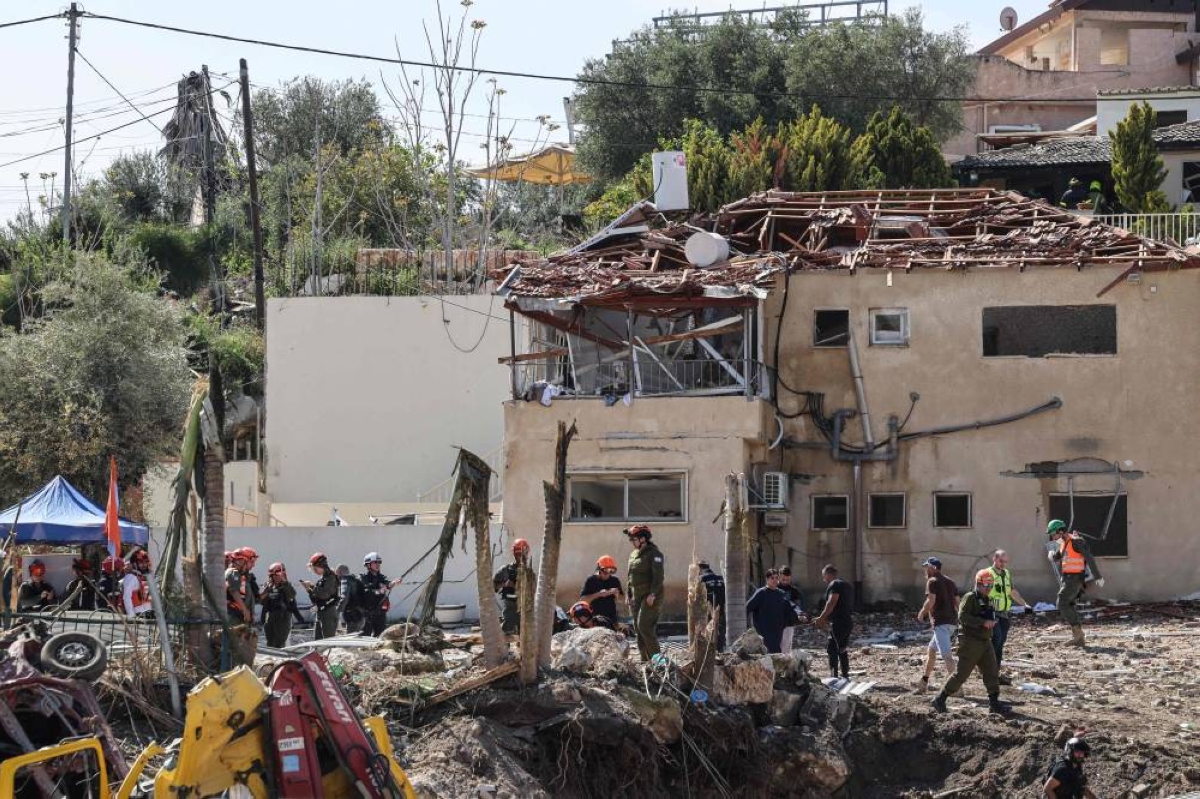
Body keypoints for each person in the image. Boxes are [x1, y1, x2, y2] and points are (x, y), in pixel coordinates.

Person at [932, 569, 1007, 714]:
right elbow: (962, 617)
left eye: (990, 585)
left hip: (985, 641)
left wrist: (991, 622)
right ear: (978, 584)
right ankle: (940, 699)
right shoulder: (970, 597)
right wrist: (982, 622)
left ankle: (994, 703)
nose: (988, 588)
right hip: (971, 642)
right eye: (985, 585)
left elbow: (988, 616)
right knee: (962, 674)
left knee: (992, 671)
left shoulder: (988, 599)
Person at [1047, 519, 1104, 647]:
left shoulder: (1075, 541)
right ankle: (1078, 636)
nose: (1052, 537)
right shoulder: (1064, 543)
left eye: (1053, 533)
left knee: (1062, 602)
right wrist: (1051, 555)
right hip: (1068, 578)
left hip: (1075, 578)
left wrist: (1097, 576)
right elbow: (1057, 557)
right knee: (1068, 603)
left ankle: (1078, 635)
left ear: (1060, 531)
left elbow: (1089, 557)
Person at [988, 549, 1033, 683]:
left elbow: (1012, 592)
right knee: (996, 640)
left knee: (1000, 644)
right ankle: (989, 673)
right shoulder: (987, 574)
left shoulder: (1006, 574)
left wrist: (1025, 604)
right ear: (994, 559)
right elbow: (980, 594)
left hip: (1003, 615)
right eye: (1001, 561)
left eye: (1005, 562)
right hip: (992, 613)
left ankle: (995, 674)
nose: (1003, 564)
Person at [916, 557, 958, 694]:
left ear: (933, 568)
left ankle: (957, 688)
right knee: (931, 651)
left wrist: (922, 612)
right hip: (951, 623)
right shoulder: (950, 582)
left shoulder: (932, 581)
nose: (925, 570)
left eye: (927, 567)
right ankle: (924, 681)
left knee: (947, 656)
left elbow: (931, 600)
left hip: (941, 624)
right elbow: (958, 601)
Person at [625, 524, 664, 662]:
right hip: (636, 595)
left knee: (644, 627)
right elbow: (630, 576)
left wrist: (653, 594)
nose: (632, 542)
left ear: (643, 539)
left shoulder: (654, 553)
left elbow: (658, 577)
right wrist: (628, 594)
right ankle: (646, 662)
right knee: (638, 630)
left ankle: (659, 662)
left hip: (651, 596)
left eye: (633, 539)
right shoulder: (633, 555)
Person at [811, 564, 853, 680]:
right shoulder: (846, 585)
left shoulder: (834, 584)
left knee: (832, 648)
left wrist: (821, 618)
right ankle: (845, 675)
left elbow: (832, 603)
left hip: (839, 623)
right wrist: (824, 618)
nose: (823, 579)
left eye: (823, 576)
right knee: (842, 648)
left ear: (828, 574)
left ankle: (833, 677)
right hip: (848, 622)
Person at [747, 569, 795, 654]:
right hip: (764, 633)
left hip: (777, 633)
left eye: (776, 578)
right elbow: (747, 608)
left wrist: (800, 617)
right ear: (767, 579)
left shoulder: (781, 594)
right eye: (772, 578)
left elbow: (789, 610)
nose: (775, 580)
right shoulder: (761, 593)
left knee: (777, 656)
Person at [259, 562, 305, 648]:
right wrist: (267, 590)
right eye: (275, 575)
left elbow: (292, 595)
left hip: (283, 617)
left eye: (280, 575)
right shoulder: (268, 586)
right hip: (270, 617)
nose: (278, 577)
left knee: (279, 643)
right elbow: (260, 600)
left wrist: (285, 583)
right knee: (270, 643)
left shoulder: (286, 585)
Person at [359, 552, 402, 636]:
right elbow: (367, 591)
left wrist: (394, 582)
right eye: (375, 562)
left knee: (381, 636)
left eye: (379, 562)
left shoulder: (382, 577)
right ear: (368, 565)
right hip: (367, 614)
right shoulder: (363, 578)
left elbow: (388, 583)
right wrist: (379, 591)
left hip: (380, 614)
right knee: (365, 637)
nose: (378, 564)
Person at [493, 539, 530, 635]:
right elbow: (493, 587)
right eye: (518, 554)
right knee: (507, 631)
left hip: (525, 609)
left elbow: (531, 590)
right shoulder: (505, 570)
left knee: (525, 633)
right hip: (510, 609)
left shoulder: (529, 572)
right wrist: (505, 584)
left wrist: (517, 586)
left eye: (522, 554)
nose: (520, 557)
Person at [299, 552, 339, 639]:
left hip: (328, 614)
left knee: (327, 643)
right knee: (317, 642)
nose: (314, 571)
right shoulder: (323, 579)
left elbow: (324, 595)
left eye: (315, 568)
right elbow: (316, 599)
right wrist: (308, 590)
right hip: (321, 613)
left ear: (322, 565)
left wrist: (312, 586)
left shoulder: (331, 578)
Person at [580, 555, 624, 624]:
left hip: (611, 620)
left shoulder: (615, 580)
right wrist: (599, 594)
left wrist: (617, 594)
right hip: (594, 620)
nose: (608, 574)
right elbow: (582, 600)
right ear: (599, 569)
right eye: (605, 571)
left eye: (611, 571)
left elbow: (622, 600)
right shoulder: (591, 580)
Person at [697, 560, 727, 650]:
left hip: (708, 612)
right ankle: (720, 651)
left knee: (709, 634)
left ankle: (710, 653)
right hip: (720, 610)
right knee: (720, 632)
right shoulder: (721, 578)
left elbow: (698, 597)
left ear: (700, 569)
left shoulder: (702, 578)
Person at [778, 566, 804, 652]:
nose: (785, 582)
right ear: (779, 577)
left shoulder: (794, 591)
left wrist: (800, 615)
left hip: (788, 623)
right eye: (783, 579)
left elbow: (797, 607)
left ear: (790, 578)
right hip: (775, 622)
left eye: (787, 579)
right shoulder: (774, 588)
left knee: (786, 648)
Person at [224, 550, 254, 625]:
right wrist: (245, 611)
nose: (247, 566)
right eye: (246, 563)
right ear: (241, 561)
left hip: (235, 613)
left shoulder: (237, 573)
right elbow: (234, 592)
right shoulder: (234, 572)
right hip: (233, 615)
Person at [122, 549, 153, 617]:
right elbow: (126, 597)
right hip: (138, 615)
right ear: (134, 564)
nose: (144, 565)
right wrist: (132, 616)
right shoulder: (131, 577)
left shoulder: (142, 577)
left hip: (147, 614)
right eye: (141, 562)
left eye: (146, 562)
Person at [336, 564, 365, 634]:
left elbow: (344, 598)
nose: (337, 577)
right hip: (361, 616)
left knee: (351, 641)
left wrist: (337, 611)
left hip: (352, 617)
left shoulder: (345, 580)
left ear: (340, 573)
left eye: (337, 574)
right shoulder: (356, 580)